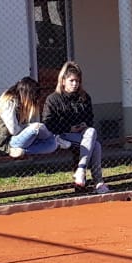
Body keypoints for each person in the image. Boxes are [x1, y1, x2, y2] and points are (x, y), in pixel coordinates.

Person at [42, 61, 109, 194]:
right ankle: (98, 182)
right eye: (71, 80)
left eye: (77, 81)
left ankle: (82, 171)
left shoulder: (84, 97)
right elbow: (48, 123)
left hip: (82, 135)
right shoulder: (53, 99)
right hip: (61, 136)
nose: (75, 84)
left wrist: (84, 125)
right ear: (63, 81)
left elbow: (90, 119)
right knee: (96, 146)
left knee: (92, 132)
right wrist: (69, 128)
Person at [0, 76, 70, 158]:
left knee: (52, 145)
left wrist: (30, 131)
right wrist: (30, 128)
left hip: (15, 141)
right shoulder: (8, 103)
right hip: (3, 143)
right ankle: (53, 136)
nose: (35, 101)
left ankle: (22, 151)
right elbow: (14, 130)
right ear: (27, 94)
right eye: (34, 98)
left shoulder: (20, 102)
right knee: (37, 127)